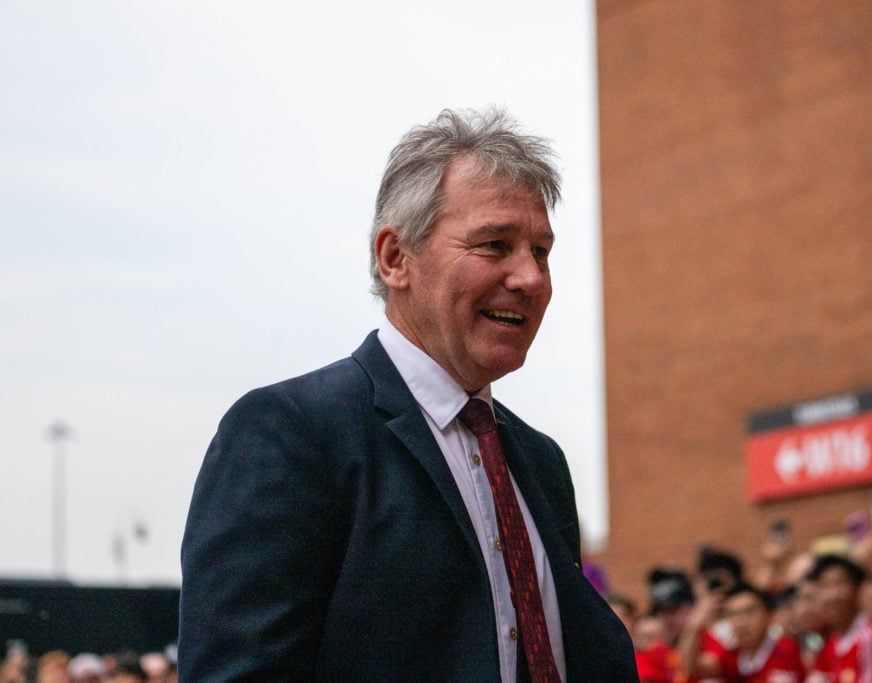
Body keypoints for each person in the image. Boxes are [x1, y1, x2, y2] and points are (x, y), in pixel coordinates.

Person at [178, 108, 637, 681]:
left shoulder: (540, 462)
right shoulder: (290, 434)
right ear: (396, 258)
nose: (531, 278)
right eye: (496, 245)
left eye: (541, 251)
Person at [681, 582, 804, 683]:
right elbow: (691, 668)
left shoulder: (789, 650)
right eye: (733, 615)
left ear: (769, 615)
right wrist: (695, 626)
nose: (741, 622)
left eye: (749, 612)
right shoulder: (730, 656)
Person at [804, 554, 872, 683]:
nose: (832, 595)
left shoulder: (870, 637)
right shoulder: (832, 643)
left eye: (839, 583)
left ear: (857, 589)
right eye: (824, 586)